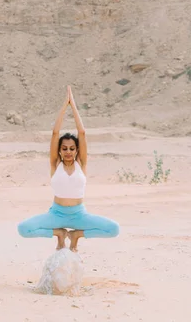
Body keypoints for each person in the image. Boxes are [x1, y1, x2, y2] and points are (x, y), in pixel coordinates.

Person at [17, 86, 120, 252]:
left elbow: (82, 132)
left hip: (79, 215)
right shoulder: (55, 164)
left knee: (114, 229)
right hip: (56, 215)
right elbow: (55, 133)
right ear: (60, 150)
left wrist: (74, 106)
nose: (68, 152)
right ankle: (59, 233)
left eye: (72, 148)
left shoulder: (82, 163)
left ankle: (76, 235)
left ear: (77, 150)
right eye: (64, 148)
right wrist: (64, 105)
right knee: (23, 229)